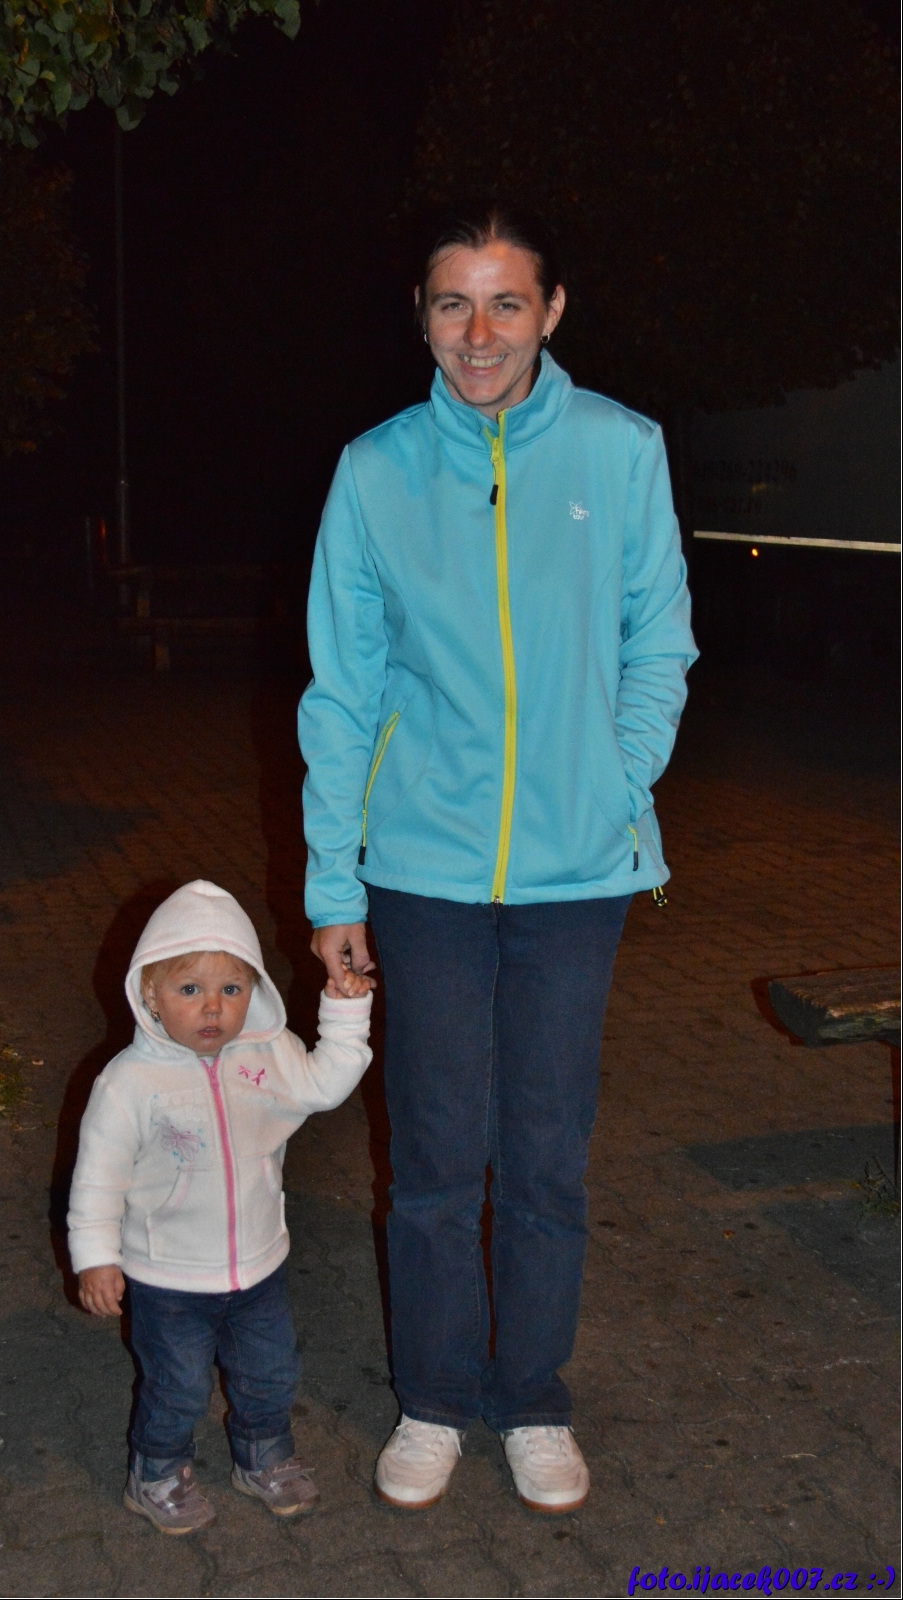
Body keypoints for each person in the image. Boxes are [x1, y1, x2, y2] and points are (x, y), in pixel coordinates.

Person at [298, 207, 698, 1514]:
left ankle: (530, 1396)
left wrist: (616, 779)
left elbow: (659, 638)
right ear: (420, 316)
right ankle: (431, 1396)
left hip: (579, 877)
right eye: (452, 304)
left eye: (505, 302)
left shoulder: (621, 450)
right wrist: (334, 882)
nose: (479, 334)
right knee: (431, 1153)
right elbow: (342, 691)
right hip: (423, 871)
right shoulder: (374, 470)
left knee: (544, 1151)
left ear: (552, 310)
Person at [68, 878, 372, 1535]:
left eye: (231, 989)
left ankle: (263, 1456)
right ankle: (156, 1470)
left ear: (253, 991)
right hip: (168, 1279)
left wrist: (345, 1013)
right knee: (176, 1386)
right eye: (189, 989)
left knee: (271, 1374)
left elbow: (324, 1084)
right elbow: (97, 1180)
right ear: (150, 992)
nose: (212, 1007)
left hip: (259, 1267)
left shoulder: (266, 1053)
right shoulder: (128, 1084)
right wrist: (96, 1258)